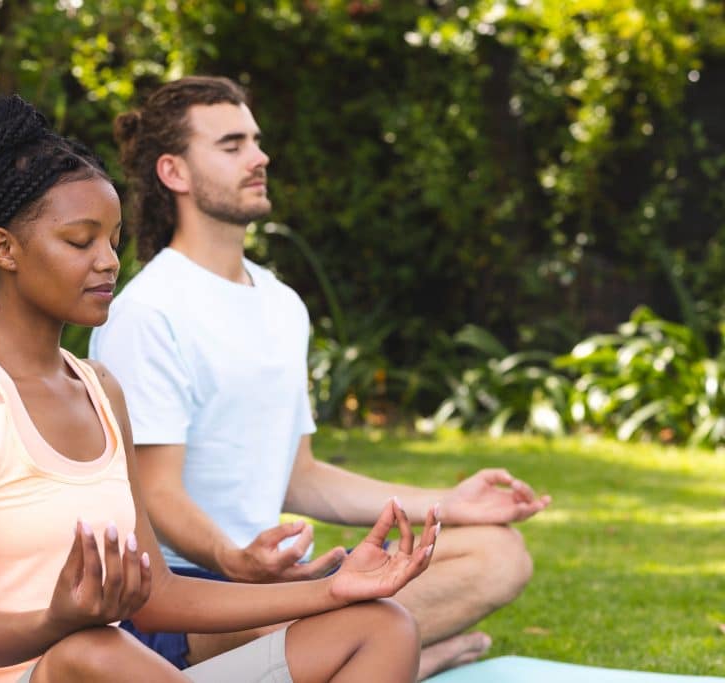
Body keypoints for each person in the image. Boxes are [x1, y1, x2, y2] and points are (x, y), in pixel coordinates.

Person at [0, 87, 441, 683]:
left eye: (112, 240)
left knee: (381, 625)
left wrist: (335, 589)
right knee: (91, 649)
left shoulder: (101, 390)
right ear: (5, 249)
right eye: (80, 242)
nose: (107, 261)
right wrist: (58, 619)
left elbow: (158, 593)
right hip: (19, 674)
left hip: (122, 671)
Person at [89, 75, 553, 680]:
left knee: (498, 554)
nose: (260, 158)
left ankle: (344, 655)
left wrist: (450, 504)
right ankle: (383, 656)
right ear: (173, 172)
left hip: (287, 583)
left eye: (255, 141)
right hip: (194, 596)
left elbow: (300, 474)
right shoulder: (147, 312)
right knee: (333, 622)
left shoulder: (282, 303)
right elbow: (153, 492)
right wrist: (233, 559)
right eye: (231, 146)